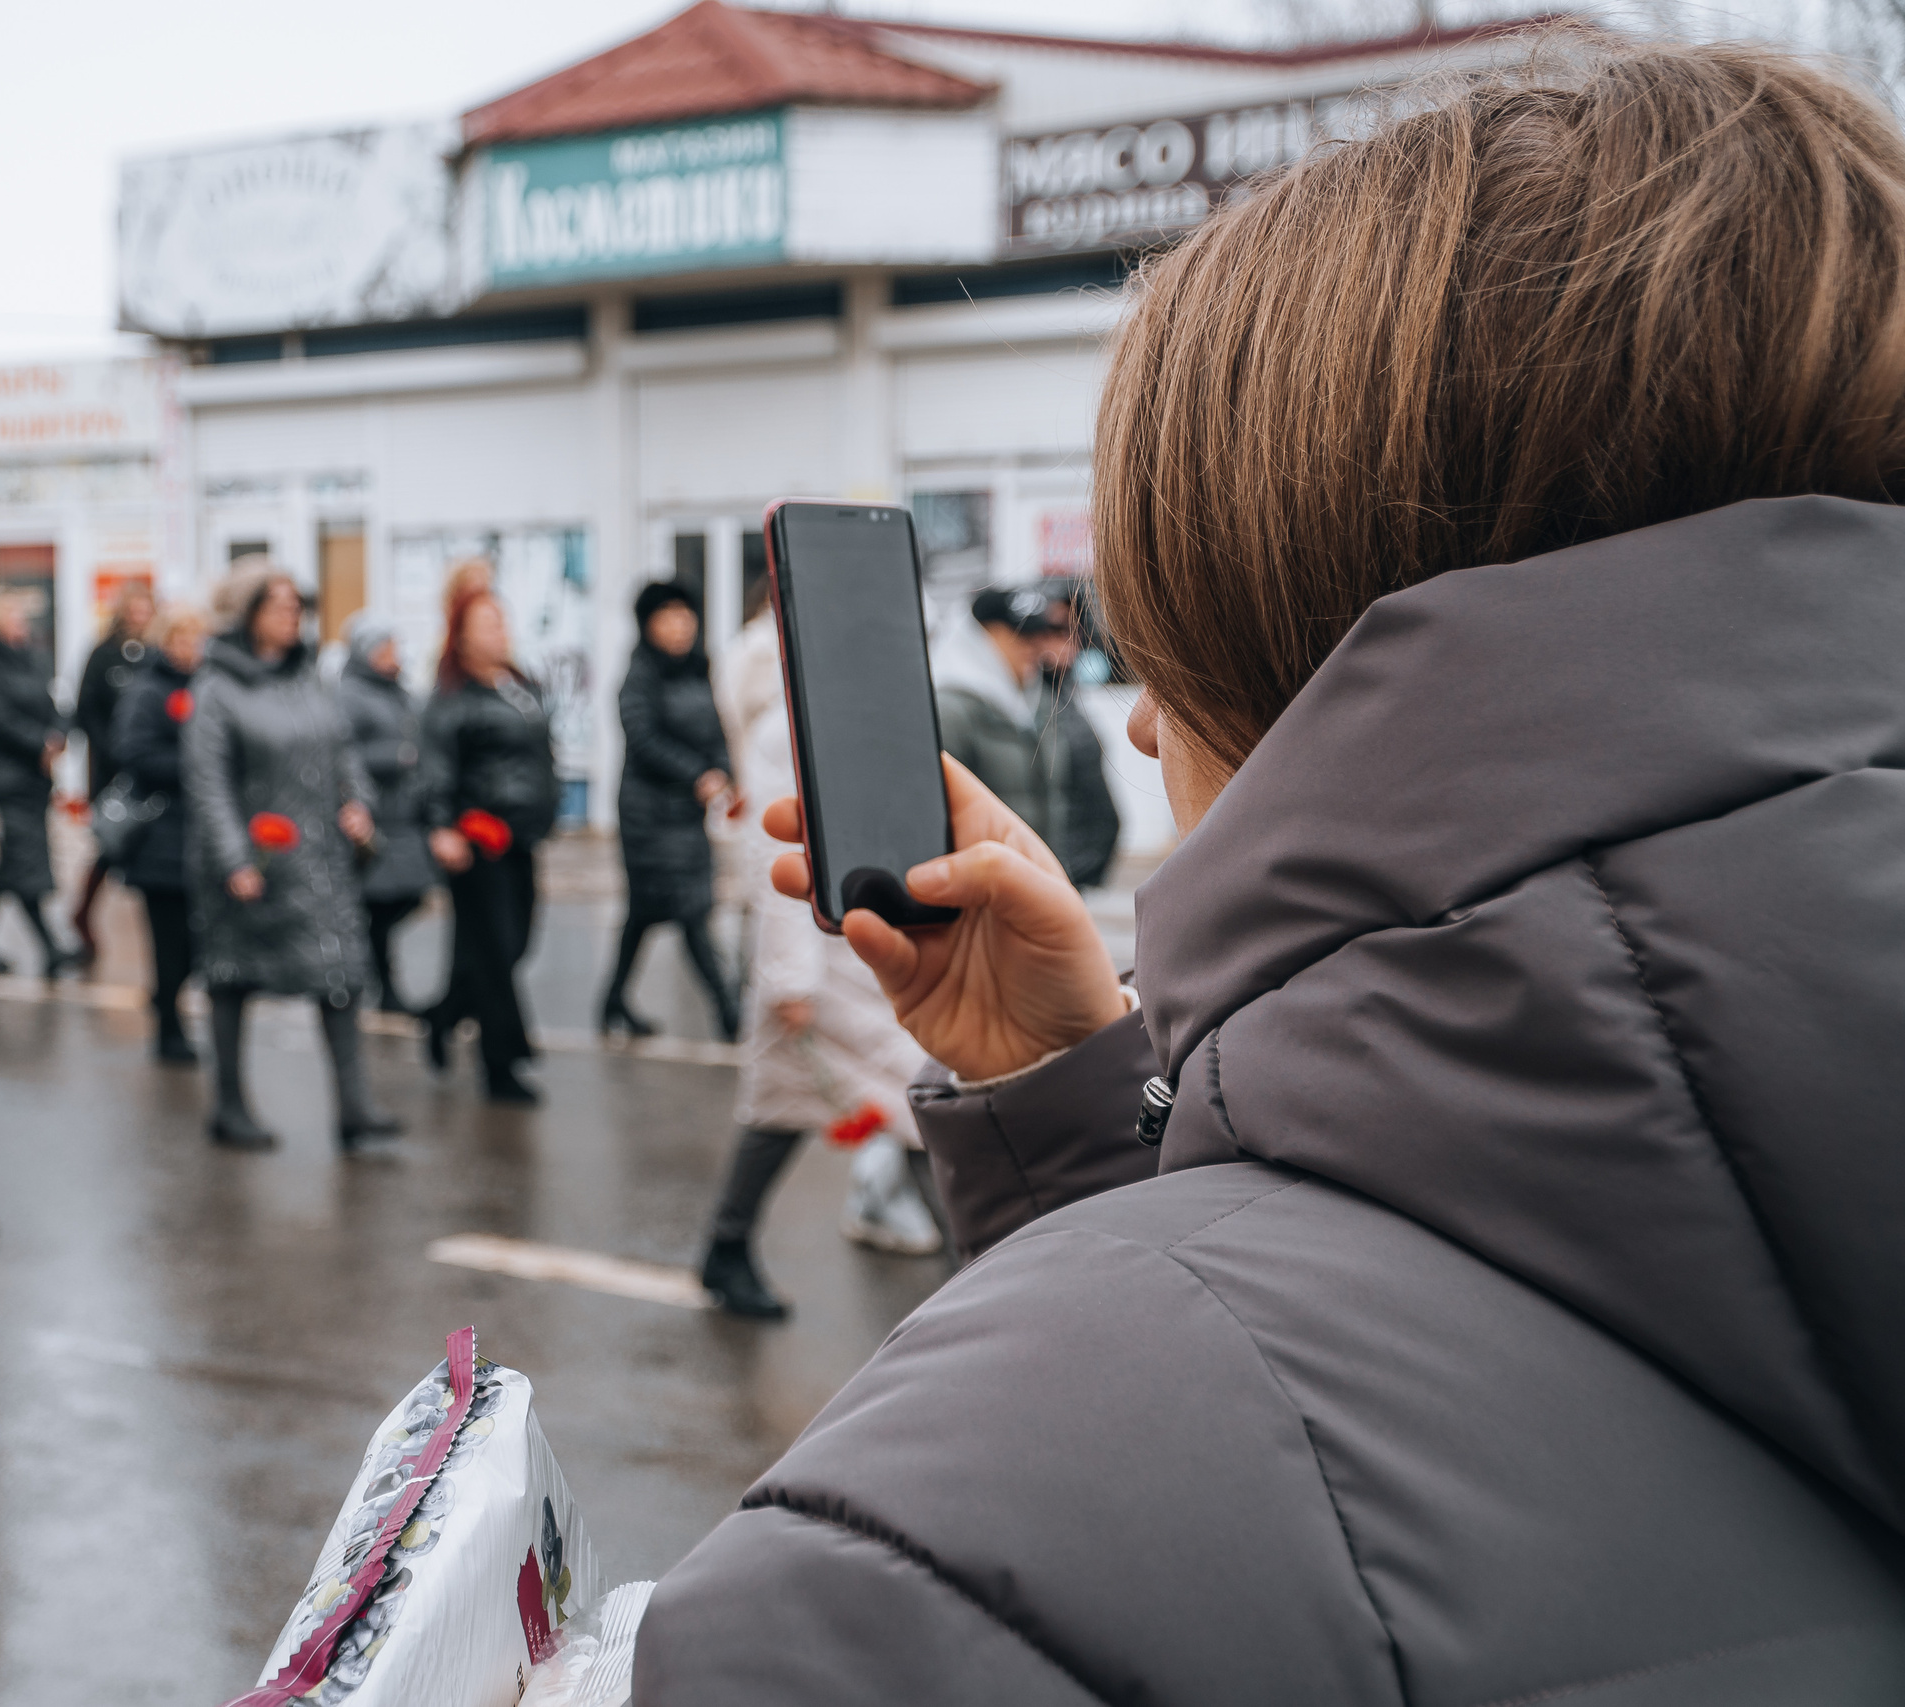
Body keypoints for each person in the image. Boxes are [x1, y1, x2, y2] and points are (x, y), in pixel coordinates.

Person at [638, 39, 1905, 1703]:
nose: (1139, 711)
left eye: (1152, 620)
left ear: (1258, 650)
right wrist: (1079, 1124)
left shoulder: (930, 1553)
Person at [703, 696, 939, 1320]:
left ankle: (726, 1246)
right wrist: (791, 979)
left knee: (805, 1107)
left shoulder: (854, 705)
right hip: (817, 958)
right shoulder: (789, 724)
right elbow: (774, 851)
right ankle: (980, 1276)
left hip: (855, 948)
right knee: (918, 1104)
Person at [182, 562, 400, 1152]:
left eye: (295, 604)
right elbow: (208, 783)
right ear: (247, 614)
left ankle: (354, 1107)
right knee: (233, 980)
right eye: (276, 604)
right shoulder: (217, 688)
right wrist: (235, 860)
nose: (290, 615)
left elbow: (342, 750)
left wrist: (358, 805)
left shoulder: (311, 679)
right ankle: (228, 1105)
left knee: (341, 977)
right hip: (258, 863)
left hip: (322, 859)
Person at [418, 571, 559, 1104]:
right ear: (461, 634)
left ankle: (444, 1012)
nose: (500, 630)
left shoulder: (519, 685)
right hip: (477, 841)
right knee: (497, 953)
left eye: (502, 620)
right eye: (488, 622)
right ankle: (501, 1065)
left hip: (523, 837)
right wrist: (440, 825)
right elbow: (434, 767)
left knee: (514, 945)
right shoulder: (452, 697)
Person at [601, 581, 740, 1041]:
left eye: (686, 614)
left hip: (685, 814)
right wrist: (697, 775)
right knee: (691, 912)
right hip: (648, 816)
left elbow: (717, 728)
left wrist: (722, 770)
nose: (680, 624)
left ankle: (612, 1001)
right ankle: (728, 1011)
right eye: (668, 616)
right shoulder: (639, 675)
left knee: (644, 914)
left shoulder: (697, 669)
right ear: (648, 624)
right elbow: (643, 739)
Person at [931, 579, 1120, 889]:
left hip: (1041, 885)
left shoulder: (1037, 703)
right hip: (984, 894)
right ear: (982, 637)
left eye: (1038, 635)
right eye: (1021, 637)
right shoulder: (950, 712)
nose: (1035, 648)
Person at [0, 590, 82, 978]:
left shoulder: (30, 657)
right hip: (3, 778)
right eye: (15, 617)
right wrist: (39, 743)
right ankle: (49, 947)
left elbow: (55, 705)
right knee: (22, 861)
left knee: (5, 868)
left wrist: (57, 736)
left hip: (33, 778)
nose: (23, 625)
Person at [109, 601, 205, 1063]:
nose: (193, 648)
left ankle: (168, 1005)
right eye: (183, 639)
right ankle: (169, 1028)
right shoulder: (148, 690)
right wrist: (197, 767)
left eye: (198, 638)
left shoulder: (212, 688)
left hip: (203, 836)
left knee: (197, 944)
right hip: (162, 836)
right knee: (169, 944)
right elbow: (133, 753)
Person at [332, 615, 433, 1015]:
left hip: (408, 815)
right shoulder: (348, 695)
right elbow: (342, 752)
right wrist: (395, 757)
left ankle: (372, 969)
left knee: (411, 894)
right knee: (378, 901)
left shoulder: (401, 691)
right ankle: (381, 983)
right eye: (384, 648)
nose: (393, 656)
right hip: (374, 815)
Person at [69, 581, 157, 960]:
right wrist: (115, 751)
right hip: (112, 767)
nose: (139, 615)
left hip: (152, 766)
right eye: (133, 608)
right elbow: (85, 708)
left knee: (153, 845)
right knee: (111, 843)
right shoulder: (103, 654)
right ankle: (83, 914)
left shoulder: (156, 654)